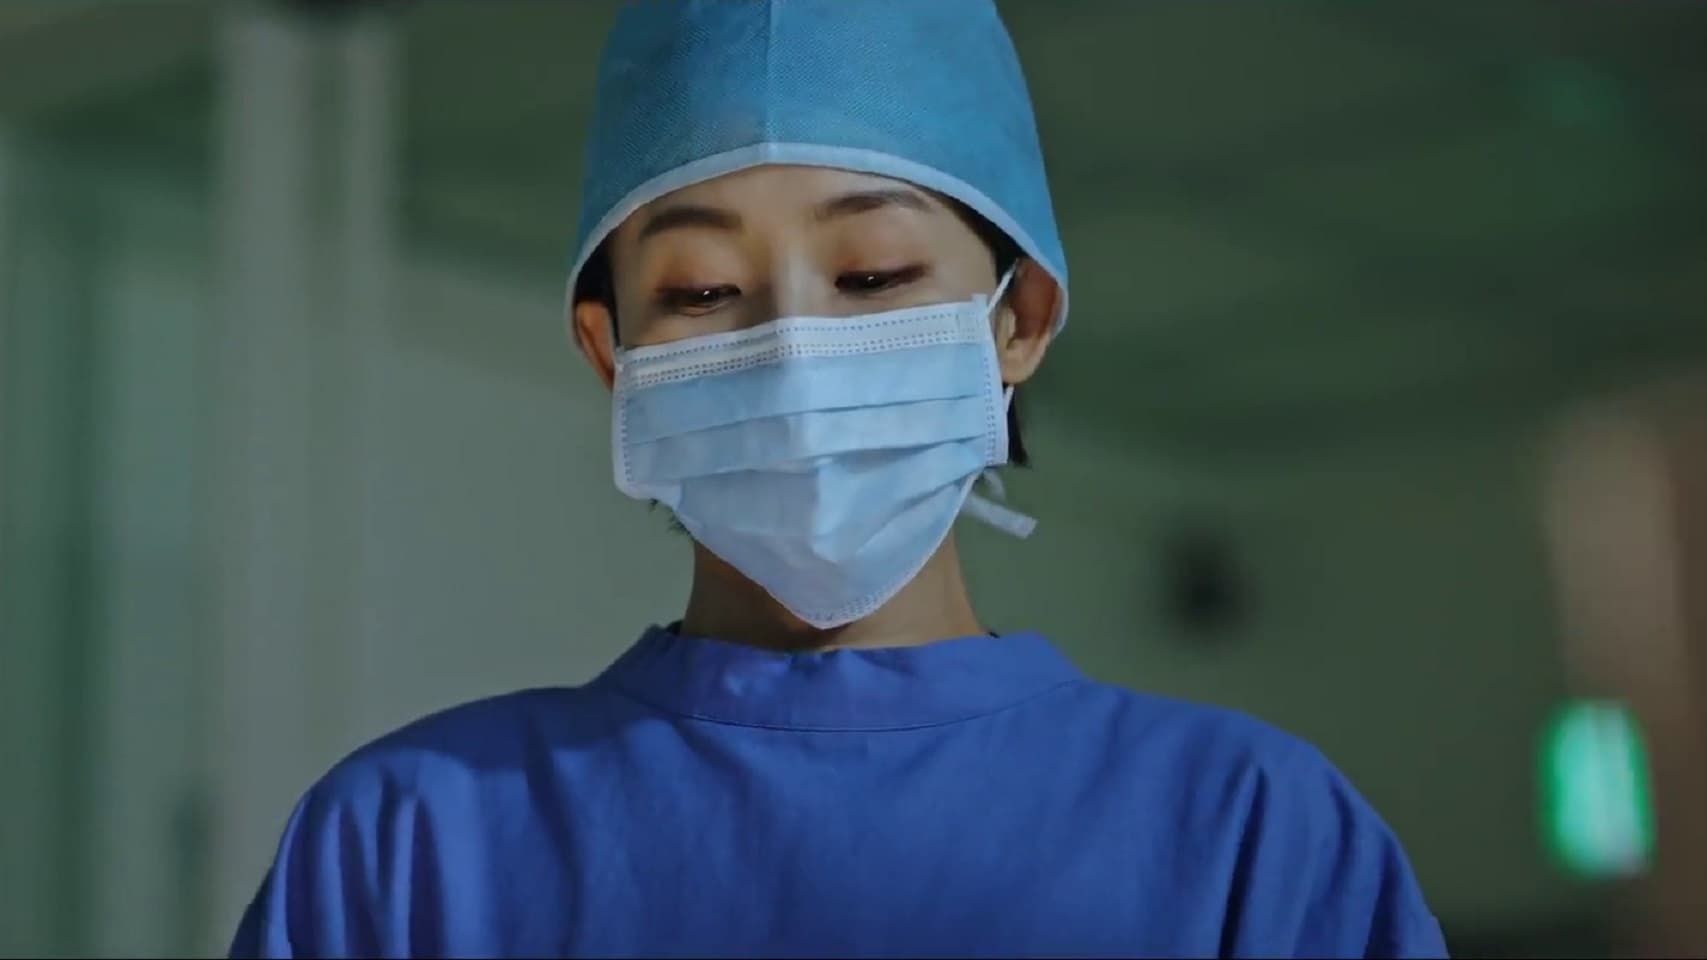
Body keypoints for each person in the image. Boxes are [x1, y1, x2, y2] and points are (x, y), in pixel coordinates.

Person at [229, 2, 1448, 957]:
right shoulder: (409, 848)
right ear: (614, 356)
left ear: (1016, 319)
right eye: (703, 291)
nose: (793, 350)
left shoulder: (1250, 835)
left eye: (871, 277)